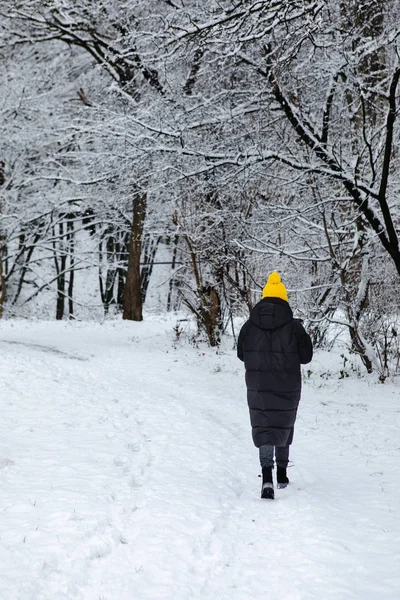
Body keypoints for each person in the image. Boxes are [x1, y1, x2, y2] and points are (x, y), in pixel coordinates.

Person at [237, 271, 313, 500]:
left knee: (264, 426)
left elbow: (241, 354)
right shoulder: (294, 327)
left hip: (258, 385)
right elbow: (306, 357)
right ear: (284, 299)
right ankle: (281, 473)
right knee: (283, 424)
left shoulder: (248, 327)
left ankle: (266, 476)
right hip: (288, 385)